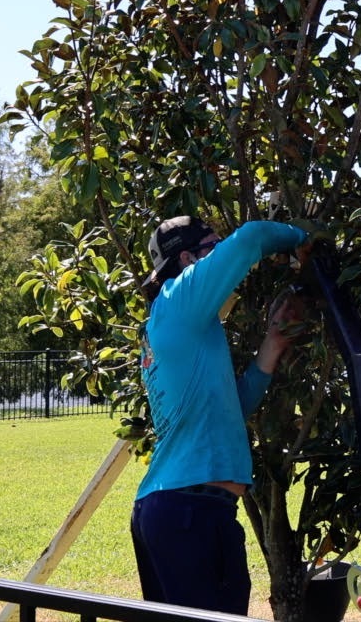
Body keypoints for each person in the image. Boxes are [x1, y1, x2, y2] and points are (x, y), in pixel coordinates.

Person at [130, 215, 308, 614]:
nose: (221, 254)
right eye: (214, 246)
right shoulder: (180, 298)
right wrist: (306, 239)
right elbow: (254, 237)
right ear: (189, 258)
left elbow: (232, 409)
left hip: (186, 508)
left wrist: (273, 344)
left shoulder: (181, 324)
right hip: (187, 512)